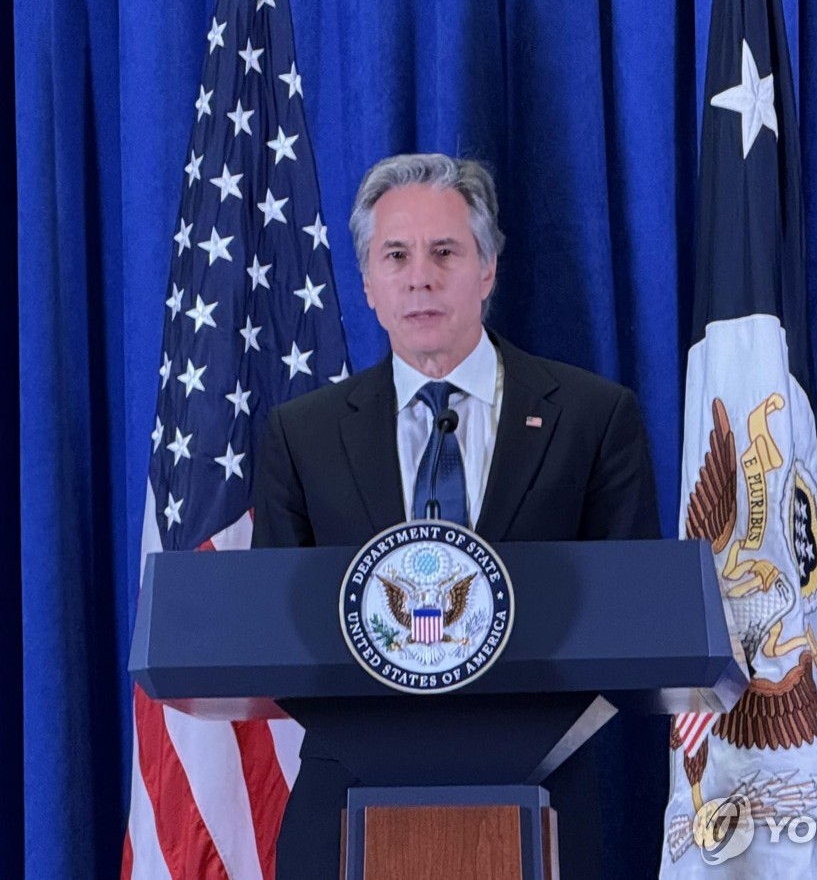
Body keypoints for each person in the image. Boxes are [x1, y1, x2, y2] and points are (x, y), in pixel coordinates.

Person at [253, 153, 662, 879]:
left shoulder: (594, 418)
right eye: (396, 256)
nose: (421, 277)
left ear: (487, 270)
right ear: (369, 286)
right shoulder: (302, 435)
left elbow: (635, 617)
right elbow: (274, 635)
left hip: (544, 807)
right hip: (346, 807)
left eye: (445, 252)